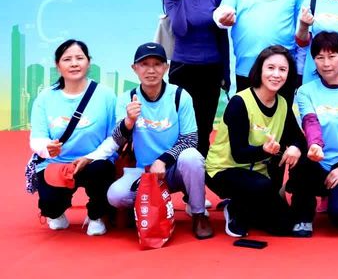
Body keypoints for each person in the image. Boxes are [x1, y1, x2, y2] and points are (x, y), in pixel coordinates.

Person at [107, 42, 214, 240]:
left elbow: (190, 139)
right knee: (115, 195)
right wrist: (128, 121)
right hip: (143, 172)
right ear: (134, 68)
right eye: (144, 64)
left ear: (166, 67)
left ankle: (198, 214)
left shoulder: (180, 96)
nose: (151, 70)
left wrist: (163, 160)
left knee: (192, 158)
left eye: (157, 64)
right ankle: (144, 205)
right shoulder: (126, 98)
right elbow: (117, 141)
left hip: (175, 170)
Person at [205, 46, 304, 237]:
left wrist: (295, 147)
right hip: (223, 170)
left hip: (258, 175)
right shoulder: (240, 102)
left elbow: (298, 137)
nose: (276, 74)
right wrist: (264, 150)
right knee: (262, 186)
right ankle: (235, 208)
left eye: (282, 69)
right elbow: (239, 154)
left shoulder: (282, 104)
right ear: (260, 70)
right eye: (270, 68)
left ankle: (246, 206)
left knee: (284, 226)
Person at [286, 31, 338, 237]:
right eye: (320, 57)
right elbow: (310, 121)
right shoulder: (306, 91)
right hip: (317, 160)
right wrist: (315, 145)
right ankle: (303, 216)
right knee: (299, 158)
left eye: (332, 56)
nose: (326, 63)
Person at [29, 39, 117, 236]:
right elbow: (37, 138)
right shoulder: (45, 98)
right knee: (51, 208)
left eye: (79, 58)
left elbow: (115, 136)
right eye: (67, 59)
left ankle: (96, 215)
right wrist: (47, 146)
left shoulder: (106, 95)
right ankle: (56, 211)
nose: (74, 63)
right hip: (58, 164)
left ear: (88, 62)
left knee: (101, 171)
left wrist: (91, 157)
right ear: (58, 65)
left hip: (94, 161)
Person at [163, 0, 229, 158]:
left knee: (204, 126)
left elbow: (222, 36)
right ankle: (178, 172)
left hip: (211, 70)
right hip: (183, 69)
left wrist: (225, 73)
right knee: (182, 127)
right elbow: (180, 29)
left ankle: (198, 177)